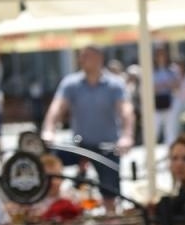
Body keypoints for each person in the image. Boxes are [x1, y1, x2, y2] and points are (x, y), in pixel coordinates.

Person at [42, 46, 134, 200]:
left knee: (110, 191)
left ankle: (110, 211)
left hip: (107, 146)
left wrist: (127, 136)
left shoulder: (114, 84)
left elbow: (126, 111)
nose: (81, 60)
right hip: (80, 144)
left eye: (86, 56)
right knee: (49, 159)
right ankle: (52, 200)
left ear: (99, 59)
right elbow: (57, 107)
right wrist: (49, 130)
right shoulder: (71, 83)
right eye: (81, 56)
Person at [152, 46, 182, 144]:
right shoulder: (151, 70)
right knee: (154, 130)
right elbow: (150, 88)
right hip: (155, 103)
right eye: (158, 54)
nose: (161, 57)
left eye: (163, 54)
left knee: (170, 130)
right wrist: (165, 85)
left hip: (170, 102)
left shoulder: (173, 69)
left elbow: (177, 84)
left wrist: (164, 85)